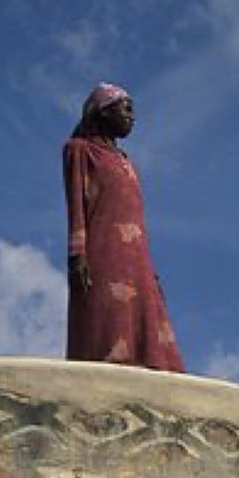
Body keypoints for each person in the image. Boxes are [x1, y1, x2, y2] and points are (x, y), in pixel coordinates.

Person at [63, 82, 184, 371]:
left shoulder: (127, 163)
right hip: (102, 250)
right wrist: (77, 253)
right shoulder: (80, 150)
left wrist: (148, 268)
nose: (132, 116)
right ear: (103, 111)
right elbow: (76, 204)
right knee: (106, 311)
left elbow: (136, 222)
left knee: (148, 316)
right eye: (125, 109)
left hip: (135, 255)